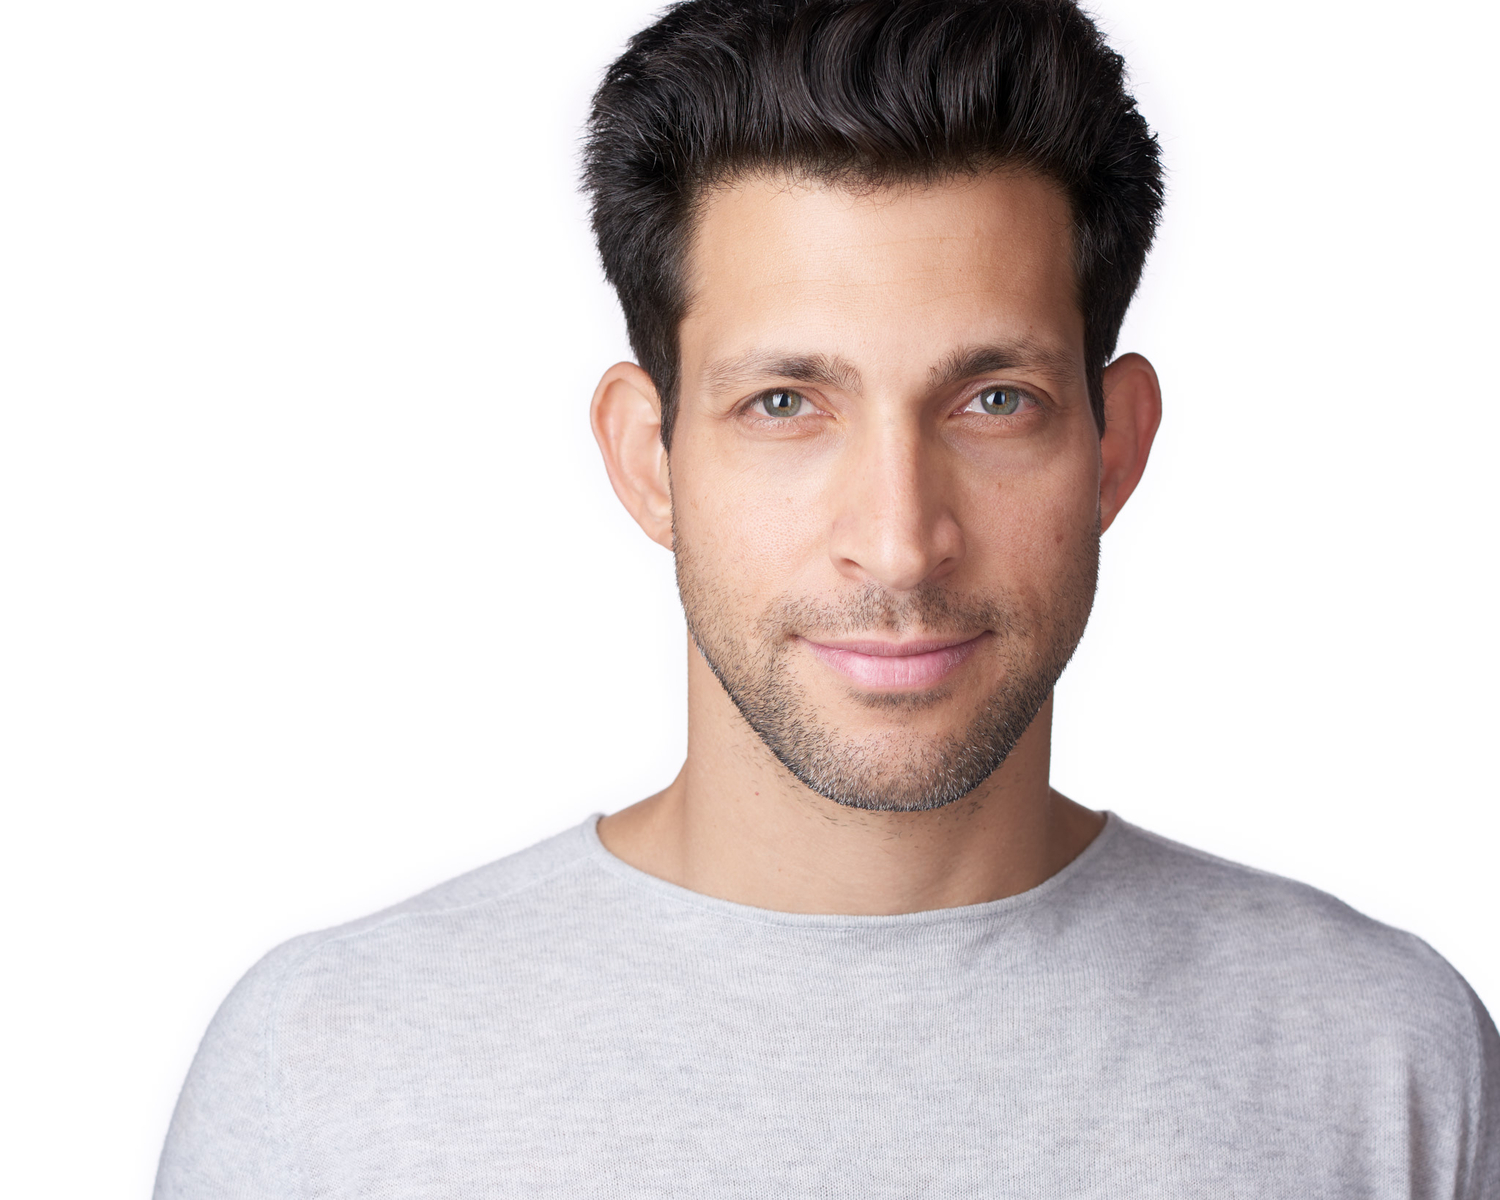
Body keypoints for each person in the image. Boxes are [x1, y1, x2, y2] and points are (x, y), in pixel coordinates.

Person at [154, 0, 1498, 1195]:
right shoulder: (324, 1076)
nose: (901, 546)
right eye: (785, 404)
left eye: (994, 401)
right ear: (649, 460)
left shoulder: (1385, 1065)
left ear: (1114, 447)